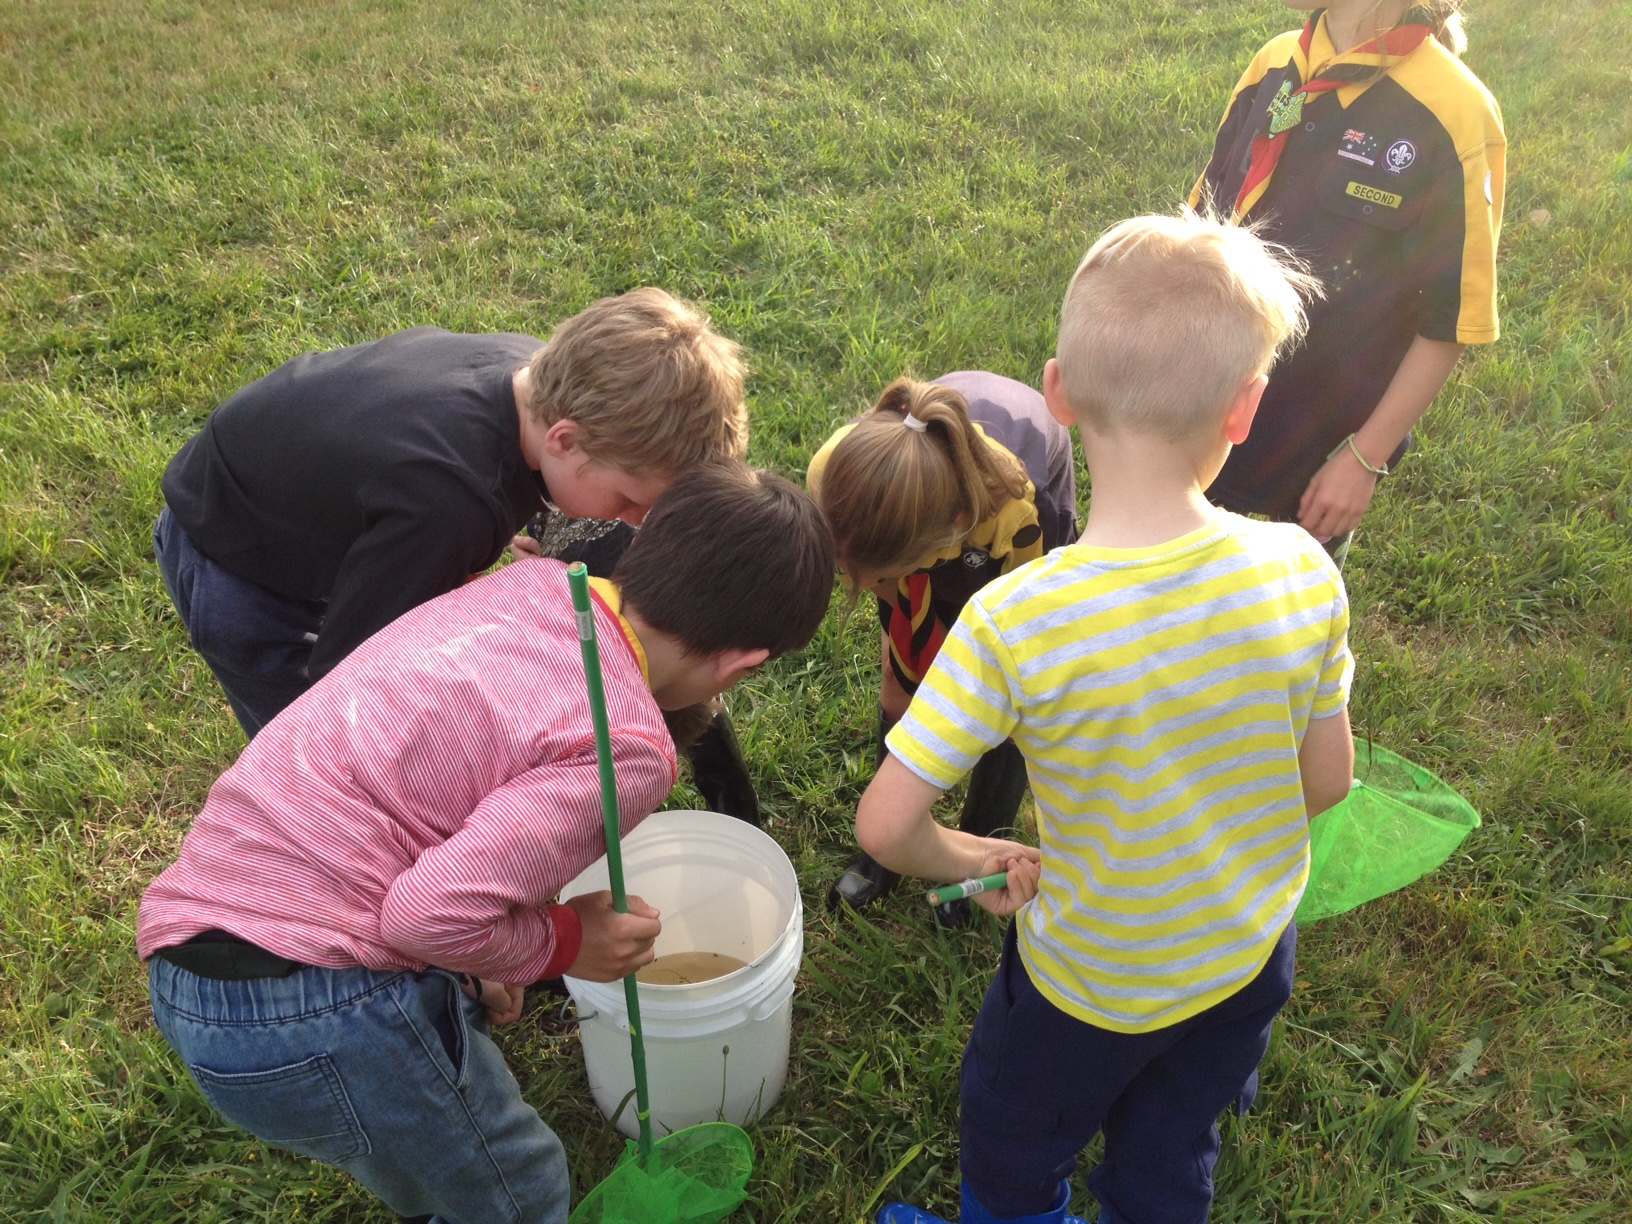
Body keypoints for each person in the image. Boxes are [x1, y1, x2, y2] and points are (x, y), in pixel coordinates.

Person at [137, 464, 835, 1224]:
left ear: (644, 539)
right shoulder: (627, 746)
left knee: (439, 1168)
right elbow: (425, 916)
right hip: (318, 1014)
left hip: (198, 944)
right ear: (741, 666)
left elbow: (452, 798)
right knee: (520, 1193)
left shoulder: (537, 585)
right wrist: (564, 942)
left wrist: (486, 951)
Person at [862, 213, 1356, 1224]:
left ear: (1058, 391)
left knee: (1013, 1138)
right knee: (1173, 1148)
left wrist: (980, 858)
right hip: (1246, 957)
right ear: (1245, 407)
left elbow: (886, 827)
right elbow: (1327, 782)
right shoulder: (1303, 569)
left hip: (1088, 982)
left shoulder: (1016, 620)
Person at [153, 287, 768, 823]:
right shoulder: (449, 502)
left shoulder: (531, 375)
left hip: (282, 477)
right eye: (630, 500)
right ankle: (315, 864)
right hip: (239, 567)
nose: (634, 521)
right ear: (565, 440)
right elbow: (348, 677)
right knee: (326, 762)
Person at [1191, 0, 1503, 567]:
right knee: (1174, 578)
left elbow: (1448, 320)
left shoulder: (1456, 112)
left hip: (1323, 435)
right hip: (1210, 394)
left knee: (1294, 601)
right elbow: (1202, 226)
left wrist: (1363, 459)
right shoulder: (1274, 64)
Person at [807, 373, 1077, 923]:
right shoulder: (834, 474)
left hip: (1003, 539)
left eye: (872, 574)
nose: (857, 584)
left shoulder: (1018, 516)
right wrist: (907, 649)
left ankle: (981, 850)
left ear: (950, 531)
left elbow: (1020, 639)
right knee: (900, 682)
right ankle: (884, 855)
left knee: (1007, 709)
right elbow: (891, 599)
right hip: (910, 531)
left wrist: (984, 692)